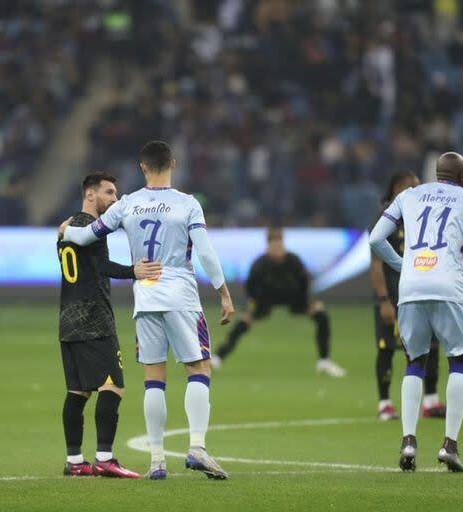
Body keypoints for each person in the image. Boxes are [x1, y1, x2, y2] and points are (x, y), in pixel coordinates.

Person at [60, 141, 235, 480]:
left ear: (142, 168)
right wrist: (224, 293)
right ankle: (197, 447)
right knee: (198, 367)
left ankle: (156, 460)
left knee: (154, 377)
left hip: (146, 296)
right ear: (173, 163)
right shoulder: (187, 204)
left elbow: (84, 238)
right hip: (180, 294)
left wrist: (67, 229)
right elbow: (206, 253)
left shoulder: (127, 205)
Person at [369, 152, 463, 473]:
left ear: (437, 174)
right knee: (459, 360)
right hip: (450, 287)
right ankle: (449, 445)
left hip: (410, 288)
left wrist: (403, 264)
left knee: (414, 362)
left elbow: (376, 238)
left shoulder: (409, 195)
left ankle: (408, 440)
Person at [57, 171, 162, 478]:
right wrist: (135, 271)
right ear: (91, 195)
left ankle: (75, 461)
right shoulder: (89, 229)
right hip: (94, 320)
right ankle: (105, 457)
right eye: (109, 193)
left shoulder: (65, 229)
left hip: (67, 320)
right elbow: (101, 267)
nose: (114, 200)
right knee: (113, 386)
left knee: (77, 392)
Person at [211, 228, 347, 378]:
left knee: (321, 315)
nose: (277, 249)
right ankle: (217, 358)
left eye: (279, 244)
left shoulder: (293, 261)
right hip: (265, 300)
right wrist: (253, 305)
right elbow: (250, 287)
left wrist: (307, 303)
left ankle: (324, 362)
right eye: (273, 245)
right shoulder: (260, 264)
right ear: (268, 246)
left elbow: (304, 283)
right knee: (242, 323)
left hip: (293, 298)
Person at [371, 171, 445, 421]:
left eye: (417, 186)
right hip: (393, 297)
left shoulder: (424, 218)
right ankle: (385, 404)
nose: (415, 191)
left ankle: (431, 400)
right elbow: (376, 265)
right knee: (387, 348)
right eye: (409, 187)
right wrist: (383, 300)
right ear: (395, 191)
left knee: (430, 346)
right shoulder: (386, 220)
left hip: (421, 293)